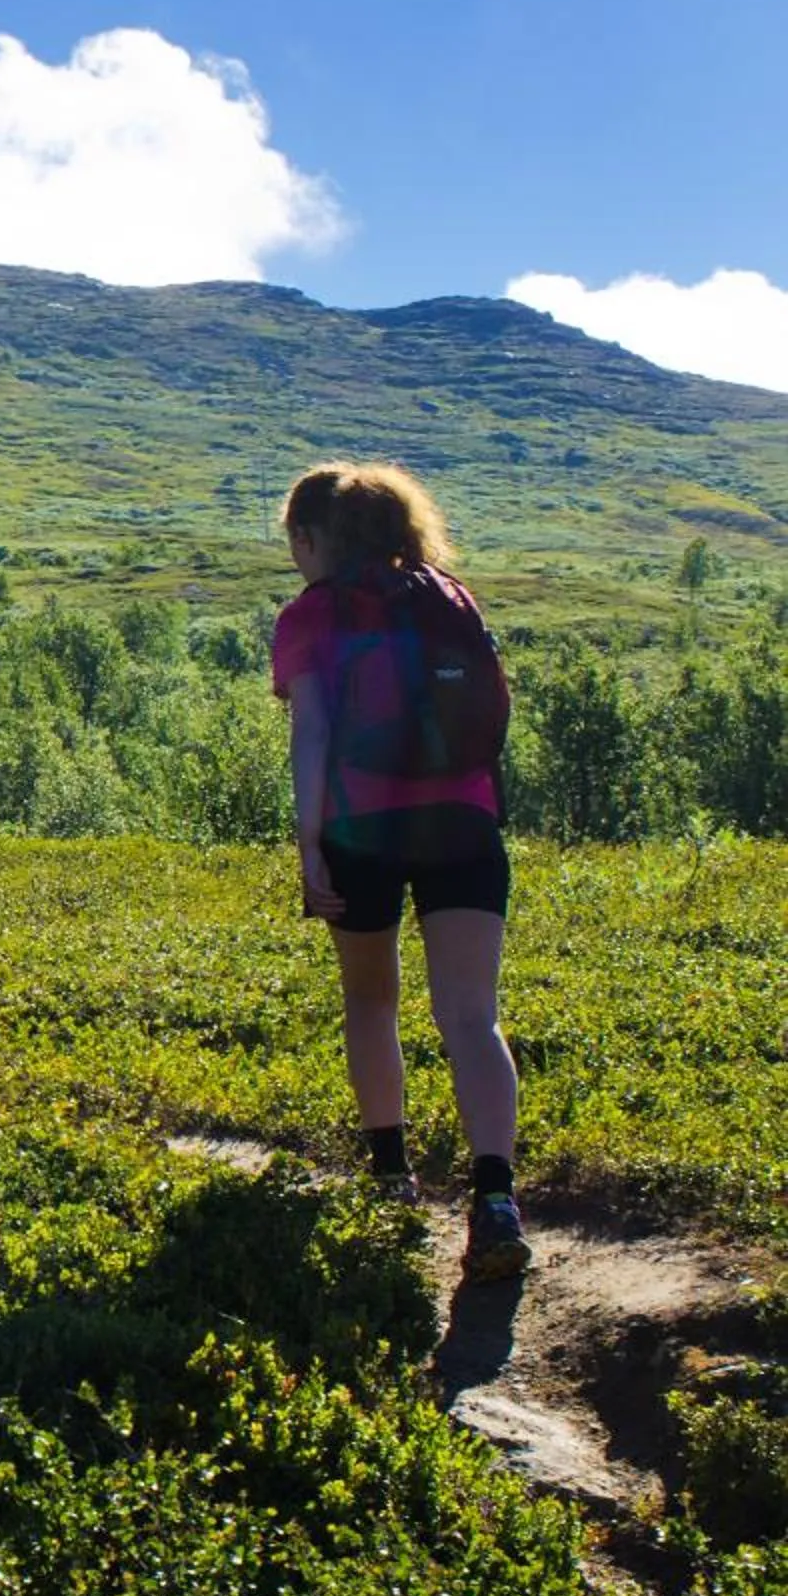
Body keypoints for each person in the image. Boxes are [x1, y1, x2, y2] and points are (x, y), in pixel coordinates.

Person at [274, 462, 530, 1281]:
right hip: (463, 821)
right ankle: (495, 1199)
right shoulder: (451, 598)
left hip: (362, 826)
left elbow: (311, 735)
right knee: (471, 1016)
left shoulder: (313, 616)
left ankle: (391, 1180)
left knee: (371, 1000)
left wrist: (310, 842)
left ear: (328, 535)